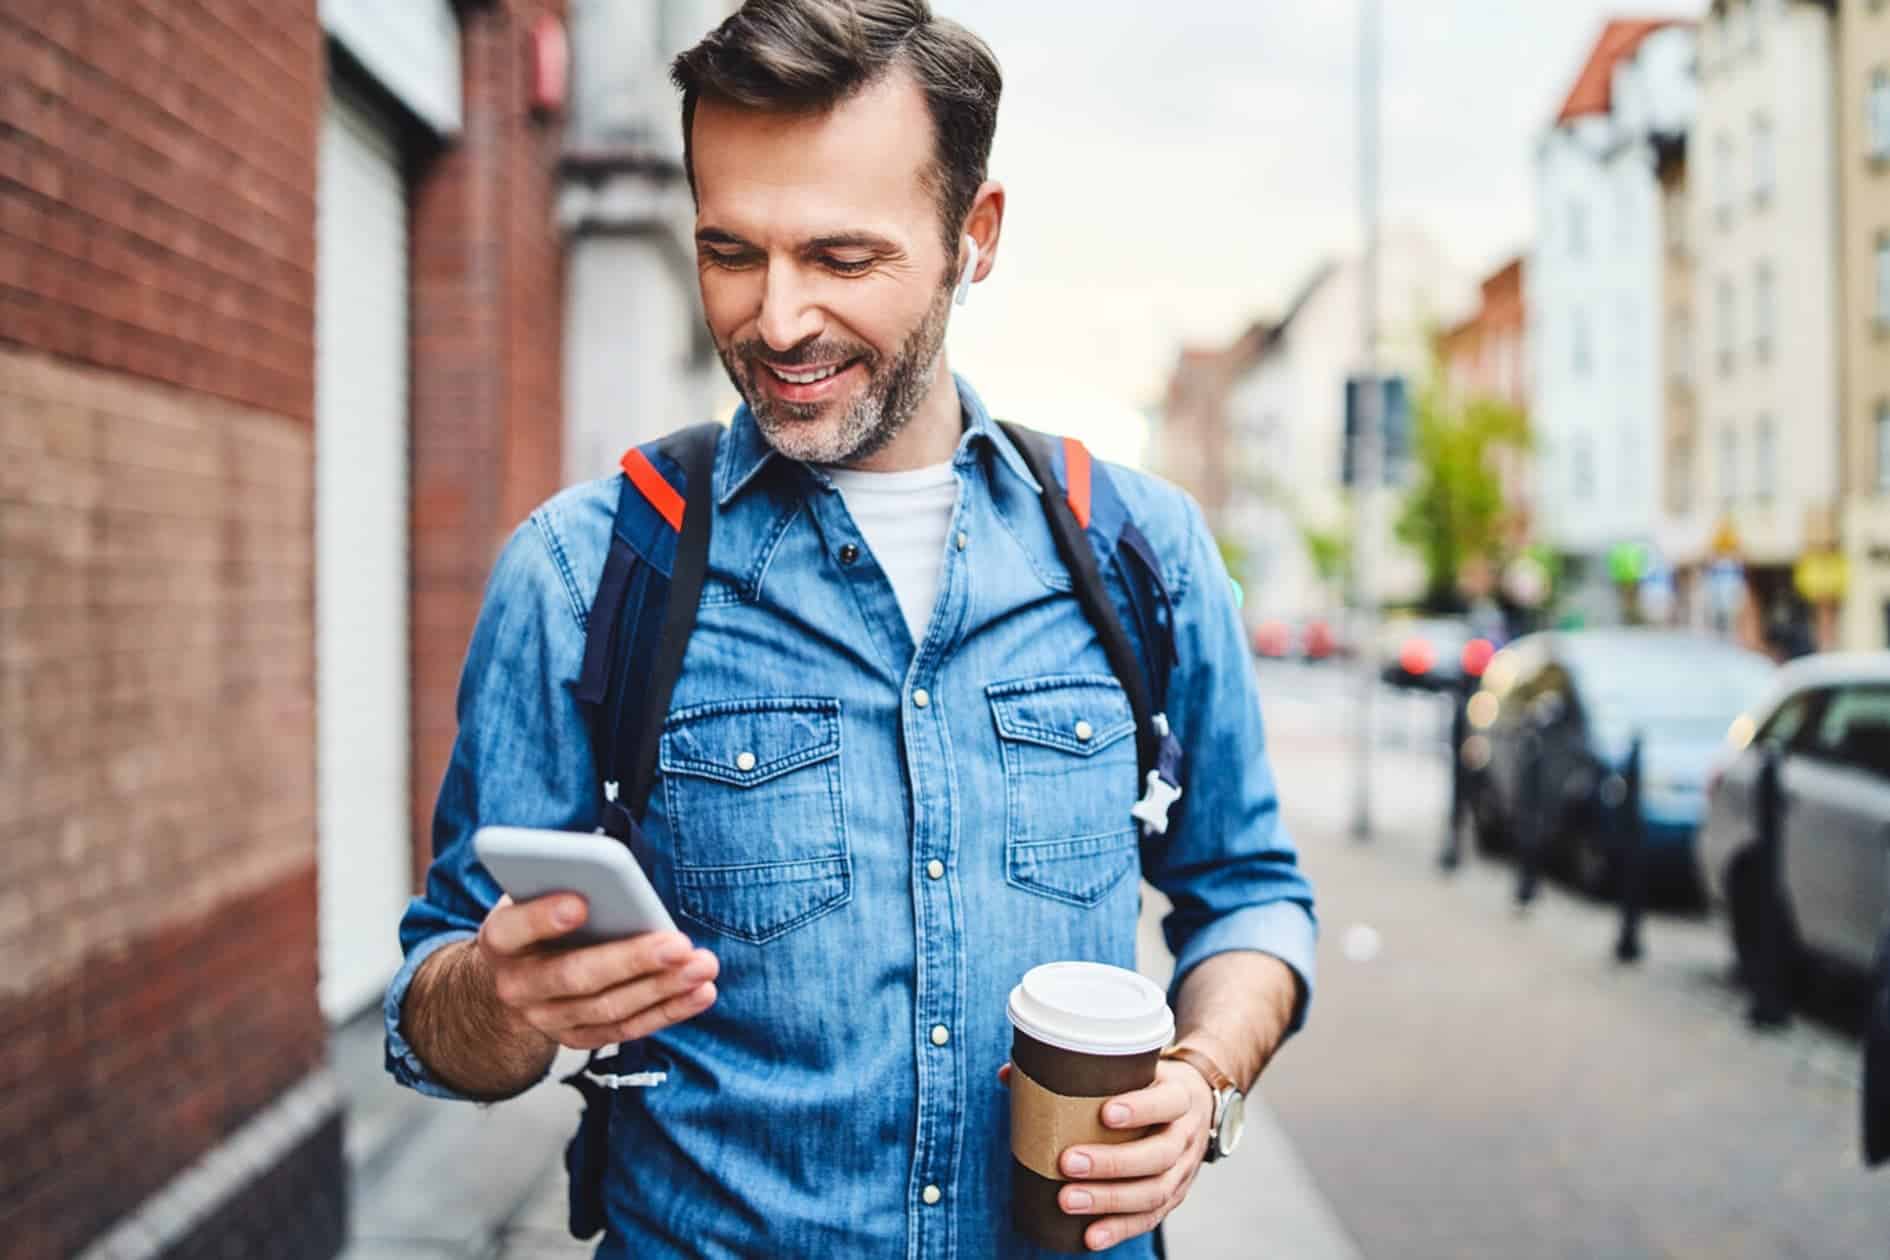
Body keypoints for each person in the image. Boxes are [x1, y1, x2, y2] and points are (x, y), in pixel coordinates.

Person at [382, 3, 1316, 1255]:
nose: (775, 322)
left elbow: (1251, 896)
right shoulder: (582, 573)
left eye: (841, 258)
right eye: (730, 251)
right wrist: (500, 1001)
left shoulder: (1138, 553)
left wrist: (1204, 1083)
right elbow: (435, 1021)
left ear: (972, 238)